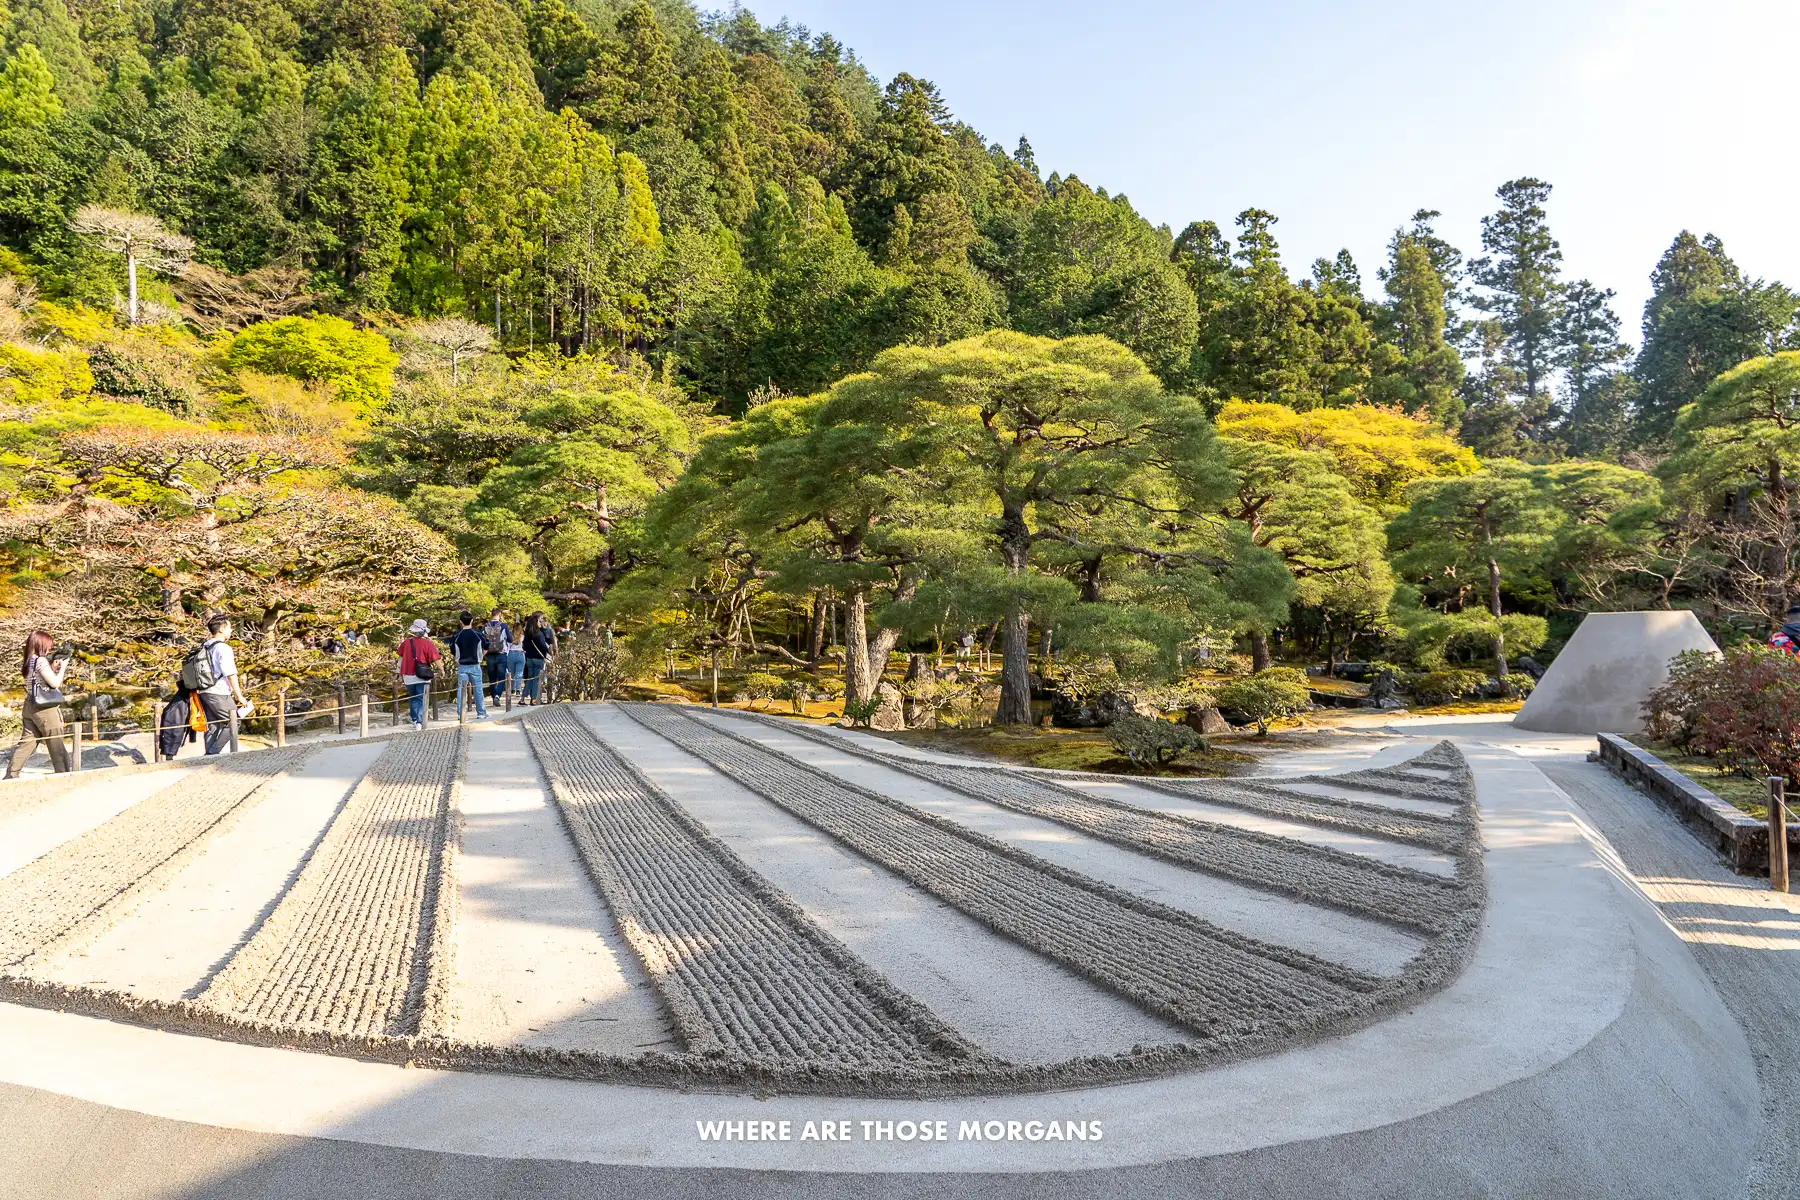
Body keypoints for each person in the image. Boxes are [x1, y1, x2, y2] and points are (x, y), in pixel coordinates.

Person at [6, 630, 73, 777]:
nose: (49, 648)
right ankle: (64, 777)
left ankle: (10, 775)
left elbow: (38, 679)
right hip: (44, 709)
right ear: (40, 644)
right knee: (56, 745)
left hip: (29, 705)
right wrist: (63, 668)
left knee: (26, 744)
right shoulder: (41, 660)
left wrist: (53, 668)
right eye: (48, 645)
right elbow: (55, 683)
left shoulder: (29, 660)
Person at [183, 615, 250, 756]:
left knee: (212, 724)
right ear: (221, 629)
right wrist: (239, 696)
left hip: (203, 691)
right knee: (234, 721)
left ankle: (210, 755)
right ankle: (212, 753)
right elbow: (231, 674)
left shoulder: (205, 645)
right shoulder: (223, 648)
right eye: (229, 627)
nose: (231, 630)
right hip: (219, 692)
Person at [397, 619, 442, 730]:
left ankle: (414, 719)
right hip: (423, 675)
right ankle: (419, 721)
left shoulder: (406, 643)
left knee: (413, 698)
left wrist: (398, 672)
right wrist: (442, 669)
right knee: (421, 698)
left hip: (408, 675)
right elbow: (436, 659)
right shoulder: (428, 644)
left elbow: (400, 658)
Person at [450, 611, 489, 718]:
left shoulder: (457, 635)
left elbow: (452, 650)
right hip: (476, 664)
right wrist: (481, 655)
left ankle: (461, 713)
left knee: (461, 690)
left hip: (462, 665)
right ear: (472, 620)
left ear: (460, 622)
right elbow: (486, 645)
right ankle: (481, 713)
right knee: (478, 689)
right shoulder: (478, 633)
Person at [522, 612, 555, 704]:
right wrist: (548, 651)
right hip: (538, 658)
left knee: (529, 678)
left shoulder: (527, 635)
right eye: (539, 622)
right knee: (536, 679)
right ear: (536, 623)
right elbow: (544, 645)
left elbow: (524, 647)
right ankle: (534, 699)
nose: (541, 623)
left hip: (529, 658)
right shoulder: (539, 634)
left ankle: (522, 698)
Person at [481, 609, 510, 701]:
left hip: (489, 655)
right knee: (502, 676)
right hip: (501, 653)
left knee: (492, 677)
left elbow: (482, 640)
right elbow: (510, 639)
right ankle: (498, 694)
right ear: (499, 615)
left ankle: (494, 696)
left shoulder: (485, 626)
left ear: (491, 615)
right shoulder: (503, 626)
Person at [499, 615, 526, 703]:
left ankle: (512, 689)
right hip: (520, 654)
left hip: (511, 654)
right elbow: (525, 647)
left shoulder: (510, 637)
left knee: (511, 673)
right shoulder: (522, 637)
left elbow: (507, 647)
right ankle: (518, 689)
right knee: (519, 673)